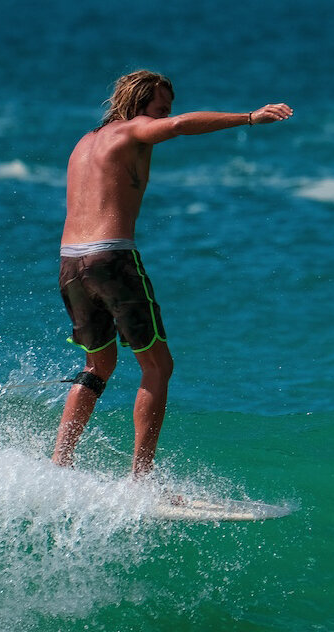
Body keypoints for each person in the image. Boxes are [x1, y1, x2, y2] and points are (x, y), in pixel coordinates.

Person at [52, 70, 292, 477]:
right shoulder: (133, 130)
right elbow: (179, 127)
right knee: (158, 367)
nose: (165, 116)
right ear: (138, 104)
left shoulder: (83, 144)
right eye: (159, 108)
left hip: (71, 263)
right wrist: (250, 118)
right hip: (111, 258)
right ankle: (142, 479)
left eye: (167, 109)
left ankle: (60, 462)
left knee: (98, 366)